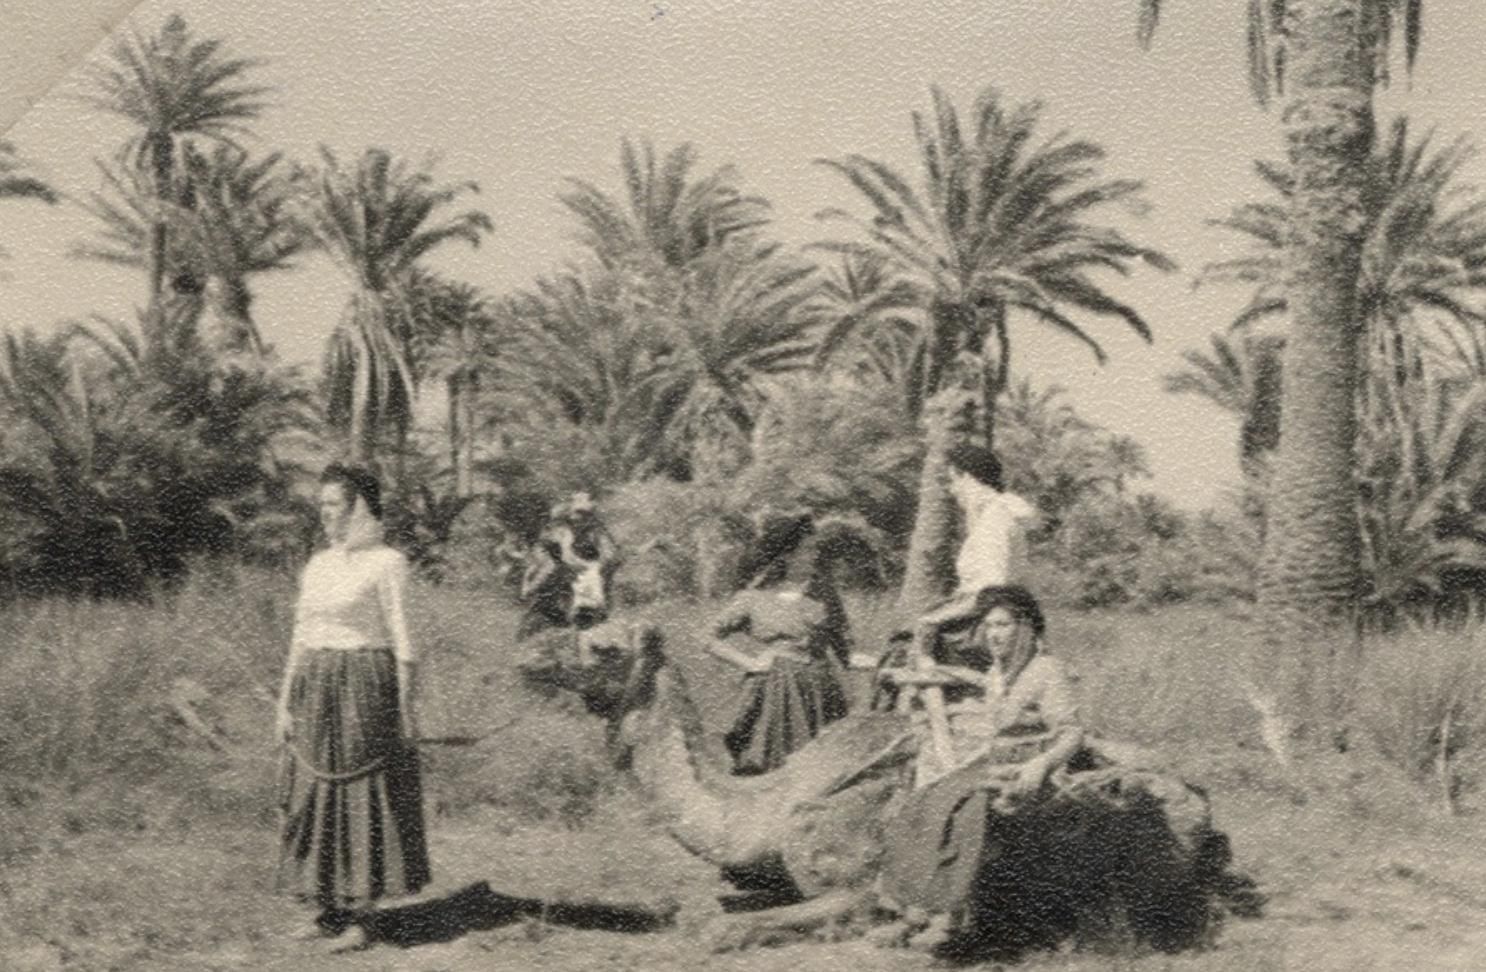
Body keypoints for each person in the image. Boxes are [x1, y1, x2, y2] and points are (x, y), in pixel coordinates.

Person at [273, 464, 431, 950]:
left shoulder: (388, 562)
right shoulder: (318, 565)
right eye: (320, 505)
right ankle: (326, 909)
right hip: (316, 683)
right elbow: (301, 638)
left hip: (366, 684)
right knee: (316, 790)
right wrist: (284, 702)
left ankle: (364, 918)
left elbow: (404, 641)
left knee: (360, 793)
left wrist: (405, 708)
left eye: (334, 505)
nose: (325, 514)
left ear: (360, 505)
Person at [874, 585, 1083, 949]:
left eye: (1002, 625)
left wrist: (1040, 765)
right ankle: (913, 913)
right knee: (924, 800)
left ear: (1026, 627)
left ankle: (949, 922)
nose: (993, 634)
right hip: (993, 761)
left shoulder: (1047, 670)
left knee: (968, 809)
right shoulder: (999, 671)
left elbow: (1071, 732)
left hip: (1029, 766)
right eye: (988, 627)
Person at [707, 513, 852, 775]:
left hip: (821, 691)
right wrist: (750, 663)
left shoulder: (825, 594)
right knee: (774, 765)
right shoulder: (753, 598)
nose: (816, 554)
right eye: (808, 549)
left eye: (816, 547)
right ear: (787, 555)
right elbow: (708, 638)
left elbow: (846, 655)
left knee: (825, 770)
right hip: (777, 691)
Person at [945, 442, 1038, 594]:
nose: (952, 490)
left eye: (953, 480)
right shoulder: (994, 515)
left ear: (968, 478)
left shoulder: (994, 520)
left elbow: (993, 586)